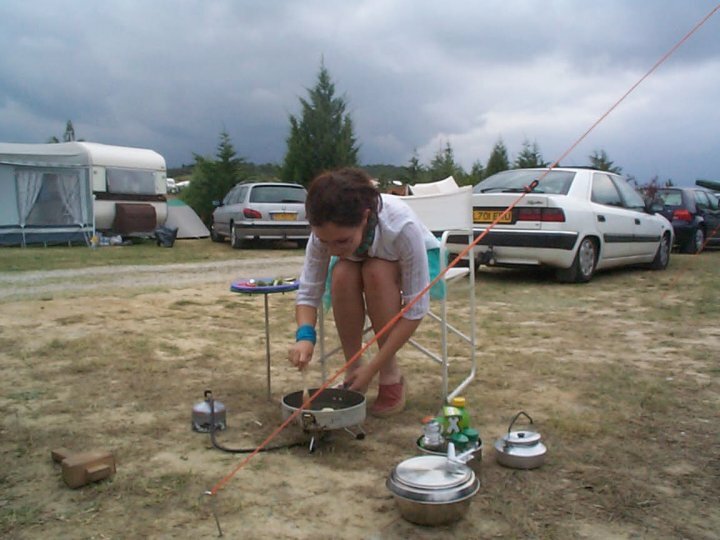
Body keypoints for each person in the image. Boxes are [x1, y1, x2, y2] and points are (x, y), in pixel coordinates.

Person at [288, 167, 438, 417]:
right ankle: (353, 368)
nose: (333, 250)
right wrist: (305, 336)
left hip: (409, 262)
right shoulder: (326, 236)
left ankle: (390, 373)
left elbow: (416, 309)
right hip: (358, 262)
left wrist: (374, 367)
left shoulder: (401, 226)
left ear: (365, 217)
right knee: (342, 273)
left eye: (342, 241)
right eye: (325, 242)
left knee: (376, 272)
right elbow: (308, 292)